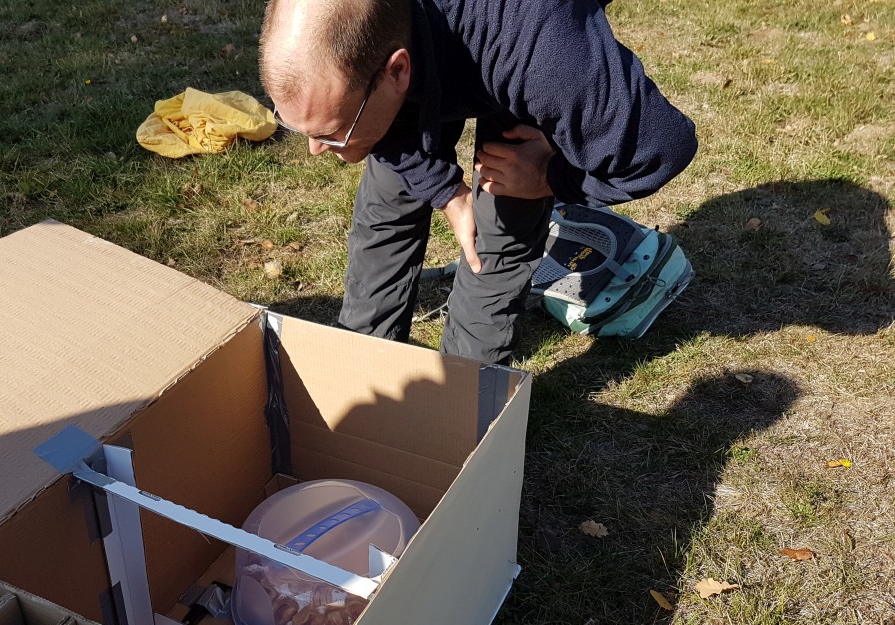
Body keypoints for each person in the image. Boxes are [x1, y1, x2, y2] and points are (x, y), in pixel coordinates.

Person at [259, 0, 697, 365]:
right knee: (390, 196)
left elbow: (660, 148)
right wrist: (446, 191)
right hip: (432, 38)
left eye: (331, 132)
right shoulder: (367, 34)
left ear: (397, 70)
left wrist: (546, 176)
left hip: (519, 33)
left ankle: (463, 400)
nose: (314, 151)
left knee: (499, 228)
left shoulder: (541, 58)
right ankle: (362, 371)